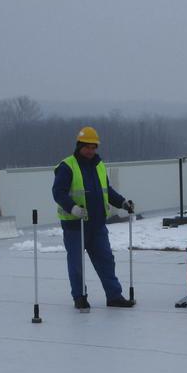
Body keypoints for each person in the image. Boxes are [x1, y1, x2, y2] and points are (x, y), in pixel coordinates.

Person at [52, 126, 136, 310]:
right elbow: (58, 192)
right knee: (76, 264)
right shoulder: (67, 166)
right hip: (76, 225)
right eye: (87, 147)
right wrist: (72, 208)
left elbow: (107, 191)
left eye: (93, 147)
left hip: (97, 224)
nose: (90, 150)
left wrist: (122, 203)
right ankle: (80, 297)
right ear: (79, 146)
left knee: (106, 259)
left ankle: (114, 296)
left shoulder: (99, 165)